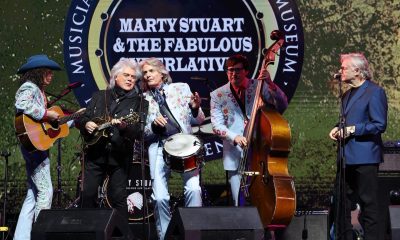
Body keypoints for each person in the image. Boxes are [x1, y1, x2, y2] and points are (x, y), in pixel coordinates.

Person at [210, 54, 288, 206]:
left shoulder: (258, 86)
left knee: (261, 197)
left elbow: (281, 105)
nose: (234, 74)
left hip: (259, 149)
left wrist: (270, 83)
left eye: (238, 70)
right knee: (238, 201)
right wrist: (235, 137)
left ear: (246, 71)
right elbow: (216, 126)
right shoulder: (217, 95)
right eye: (230, 70)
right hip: (234, 154)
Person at [78, 58, 147, 228]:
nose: (130, 79)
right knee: (88, 195)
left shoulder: (140, 103)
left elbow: (137, 131)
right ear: (115, 76)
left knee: (118, 198)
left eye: (133, 77)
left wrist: (124, 127)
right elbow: (83, 119)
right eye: (126, 75)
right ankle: (87, 232)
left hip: (120, 156)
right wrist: (85, 124)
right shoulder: (99, 96)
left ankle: (122, 234)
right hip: (95, 154)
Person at [140, 57, 204, 240]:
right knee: (159, 197)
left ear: (162, 72)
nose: (147, 75)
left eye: (151, 71)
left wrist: (195, 108)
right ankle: (165, 236)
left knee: (194, 189)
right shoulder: (143, 99)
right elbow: (143, 133)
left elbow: (198, 120)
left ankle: (193, 234)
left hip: (185, 146)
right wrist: (153, 126)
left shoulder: (181, 88)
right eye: (145, 73)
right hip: (159, 147)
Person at [329, 53, 387, 240]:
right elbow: (347, 121)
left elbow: (379, 124)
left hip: (365, 157)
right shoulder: (346, 95)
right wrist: (337, 129)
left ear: (357, 70)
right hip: (346, 157)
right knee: (341, 204)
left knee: (368, 204)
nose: (341, 71)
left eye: (344, 68)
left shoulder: (374, 91)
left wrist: (353, 129)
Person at [14, 54, 62, 240]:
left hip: (35, 144)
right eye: (47, 72)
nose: (51, 76)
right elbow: (22, 103)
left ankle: (22, 237)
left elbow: (46, 120)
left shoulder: (40, 91)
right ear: (38, 73)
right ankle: (40, 235)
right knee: (46, 191)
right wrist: (46, 113)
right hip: (33, 146)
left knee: (32, 194)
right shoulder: (29, 87)